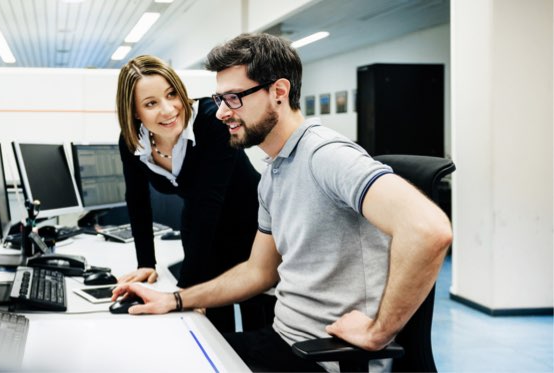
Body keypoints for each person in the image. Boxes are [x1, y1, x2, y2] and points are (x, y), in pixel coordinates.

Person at [111, 35, 452, 372]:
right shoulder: (276, 170)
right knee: (162, 353)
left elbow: (428, 229)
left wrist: (379, 332)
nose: (220, 113)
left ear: (278, 92)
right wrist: (175, 299)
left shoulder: (326, 155)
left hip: (324, 355)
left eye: (234, 98)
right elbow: (257, 271)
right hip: (281, 342)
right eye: (220, 98)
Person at [114, 55, 275, 334]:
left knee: (255, 312)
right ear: (135, 112)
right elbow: (137, 200)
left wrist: (183, 292)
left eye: (171, 94)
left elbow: (208, 202)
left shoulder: (212, 121)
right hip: (199, 225)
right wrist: (145, 262)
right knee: (209, 318)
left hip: (250, 220)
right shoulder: (132, 140)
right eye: (151, 103)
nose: (168, 110)